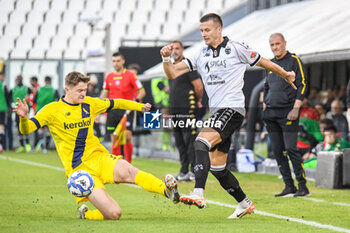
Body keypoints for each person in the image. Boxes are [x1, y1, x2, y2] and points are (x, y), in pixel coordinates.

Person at [160, 13, 296, 219]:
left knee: (201, 142)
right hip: (216, 111)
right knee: (217, 166)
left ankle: (198, 192)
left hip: (232, 109)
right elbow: (171, 73)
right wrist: (165, 58)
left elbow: (263, 61)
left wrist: (285, 74)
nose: (204, 34)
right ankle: (244, 203)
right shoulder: (199, 54)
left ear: (218, 29)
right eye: (201, 31)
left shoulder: (236, 48)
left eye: (207, 30)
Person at [14, 71, 180, 220]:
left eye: (85, 90)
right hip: (80, 171)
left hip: (99, 157)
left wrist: (140, 107)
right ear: (67, 90)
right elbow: (27, 129)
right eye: (79, 90)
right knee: (114, 214)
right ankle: (86, 214)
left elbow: (116, 103)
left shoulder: (90, 103)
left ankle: (166, 191)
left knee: (129, 170)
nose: (83, 94)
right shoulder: (52, 110)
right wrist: (23, 118)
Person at [263, 33, 310, 197]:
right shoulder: (270, 64)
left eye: (277, 44)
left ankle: (303, 186)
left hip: (288, 112)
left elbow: (303, 84)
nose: (275, 47)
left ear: (284, 43)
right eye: (272, 45)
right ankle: (289, 186)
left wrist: (296, 108)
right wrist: (265, 105)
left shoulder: (294, 60)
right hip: (271, 113)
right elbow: (266, 86)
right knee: (277, 151)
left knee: (291, 149)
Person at [101, 52, 146, 163]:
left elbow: (142, 92)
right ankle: (117, 165)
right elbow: (104, 95)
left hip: (127, 111)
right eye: (114, 61)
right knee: (115, 139)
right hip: (112, 112)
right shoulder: (109, 77)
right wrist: (100, 111)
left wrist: (133, 105)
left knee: (126, 137)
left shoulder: (131, 75)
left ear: (123, 61)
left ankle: (128, 164)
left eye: (118, 61)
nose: (116, 63)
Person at [169, 40, 204, 182]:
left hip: (187, 109)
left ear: (182, 50)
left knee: (190, 139)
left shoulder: (187, 66)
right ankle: (183, 170)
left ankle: (193, 170)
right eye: (173, 49)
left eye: (177, 48)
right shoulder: (171, 68)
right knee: (179, 141)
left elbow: (199, 86)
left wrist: (197, 101)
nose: (175, 51)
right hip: (175, 110)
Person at [33, 76, 59, 153]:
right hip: (49, 112)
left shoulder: (39, 89)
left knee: (40, 129)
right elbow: (58, 100)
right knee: (48, 130)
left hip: (40, 111)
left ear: (44, 81)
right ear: (50, 81)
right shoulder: (53, 90)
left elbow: (34, 100)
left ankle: (41, 145)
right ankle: (46, 147)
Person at [10, 75, 32, 152]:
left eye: (20, 79)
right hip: (17, 111)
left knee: (26, 126)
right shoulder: (13, 89)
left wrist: (30, 105)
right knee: (19, 128)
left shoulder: (27, 88)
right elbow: (10, 99)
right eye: (17, 79)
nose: (18, 80)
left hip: (25, 111)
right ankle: (22, 145)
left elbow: (31, 98)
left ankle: (28, 144)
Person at [0, 72, 10, 152]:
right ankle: (0, 145)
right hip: (2, 108)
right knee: (2, 126)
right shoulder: (3, 85)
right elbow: (7, 96)